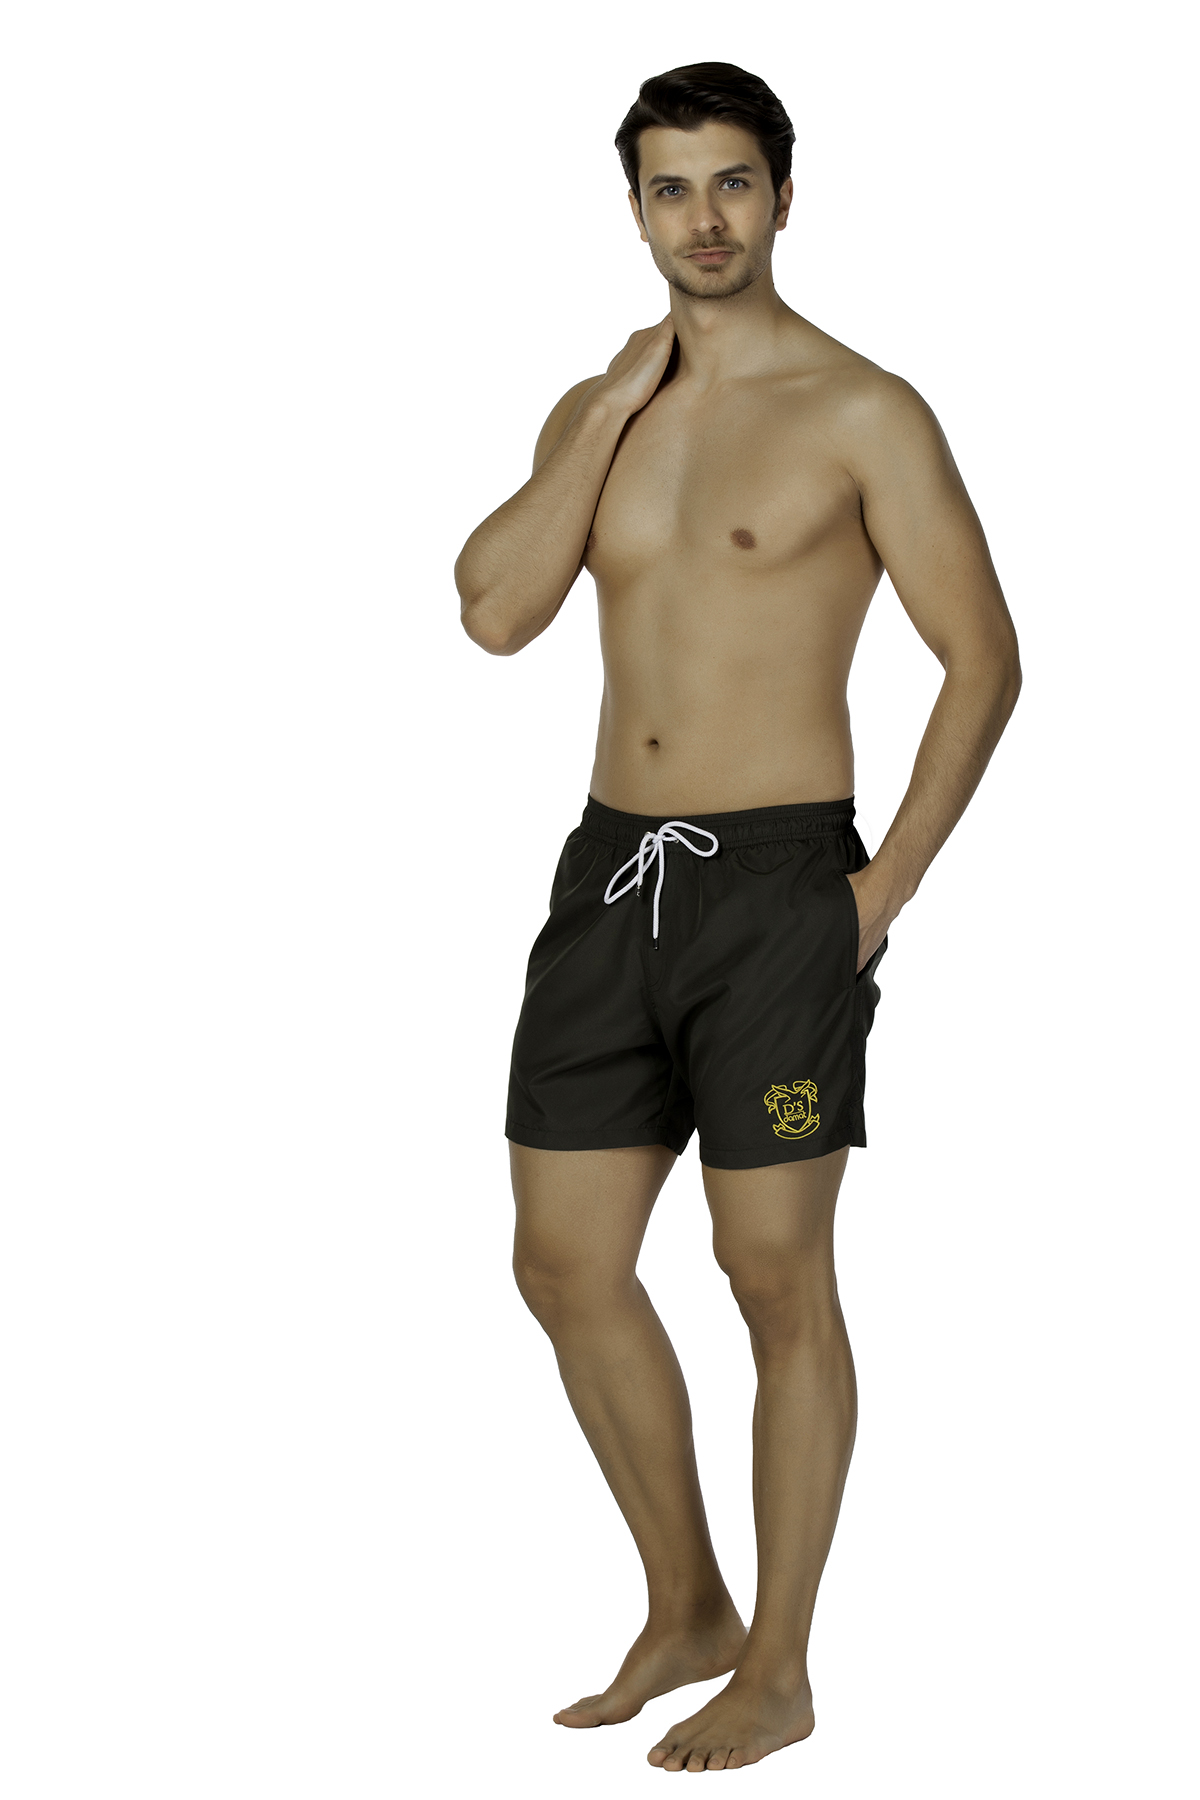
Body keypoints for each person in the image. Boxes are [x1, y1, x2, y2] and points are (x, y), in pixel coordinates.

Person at [455, 61, 1021, 1774]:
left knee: (772, 1273)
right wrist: (614, 405)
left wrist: (878, 892)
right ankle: (686, 1603)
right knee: (564, 1261)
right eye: (668, 189)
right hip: (606, 880)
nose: (702, 220)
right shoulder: (601, 407)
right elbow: (493, 613)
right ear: (632, 209)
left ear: (783, 194)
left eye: (732, 184)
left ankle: (779, 1667)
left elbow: (984, 662)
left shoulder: (864, 410)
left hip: (780, 890)